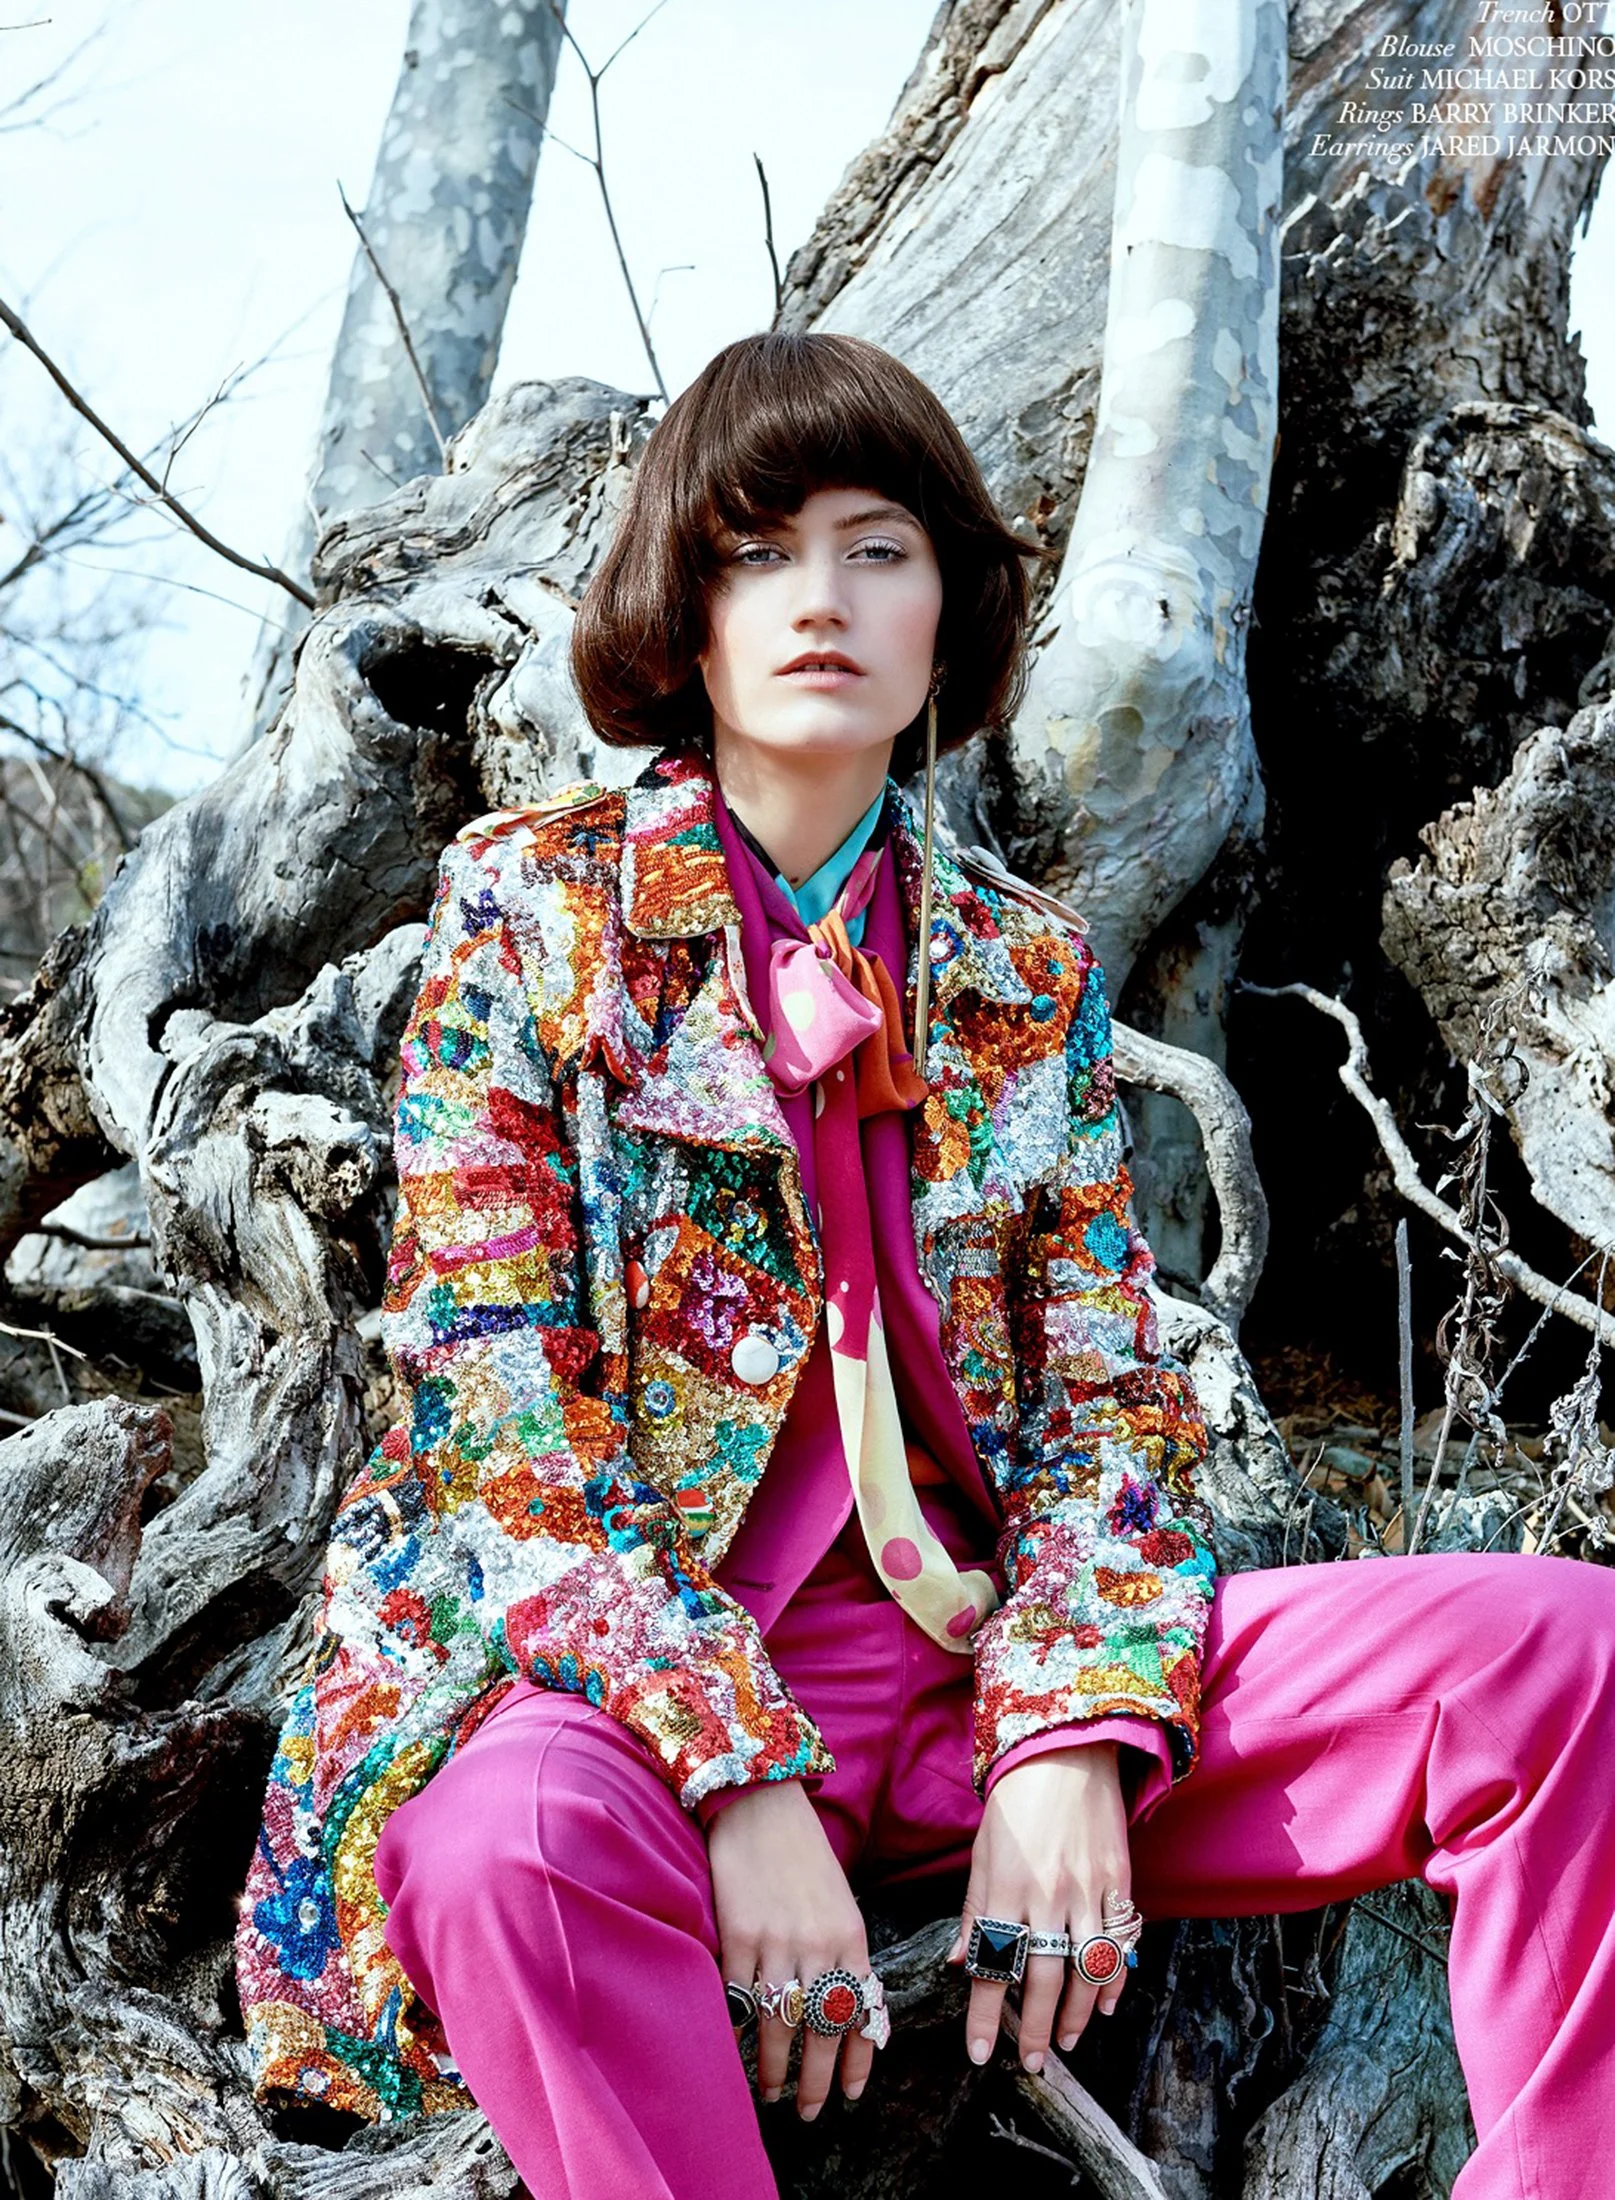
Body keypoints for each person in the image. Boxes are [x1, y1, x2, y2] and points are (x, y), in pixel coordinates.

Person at [236, 330, 1615, 2200]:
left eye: (879, 547)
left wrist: (1063, 1729)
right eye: (755, 550)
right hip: (635, 1709)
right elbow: (498, 1421)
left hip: (971, 1682)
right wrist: (731, 1770)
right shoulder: (531, 914)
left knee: (1555, 1653)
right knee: (500, 1846)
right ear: (679, 611)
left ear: (950, 610)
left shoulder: (1015, 964)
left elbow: (1109, 1401)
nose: (822, 598)